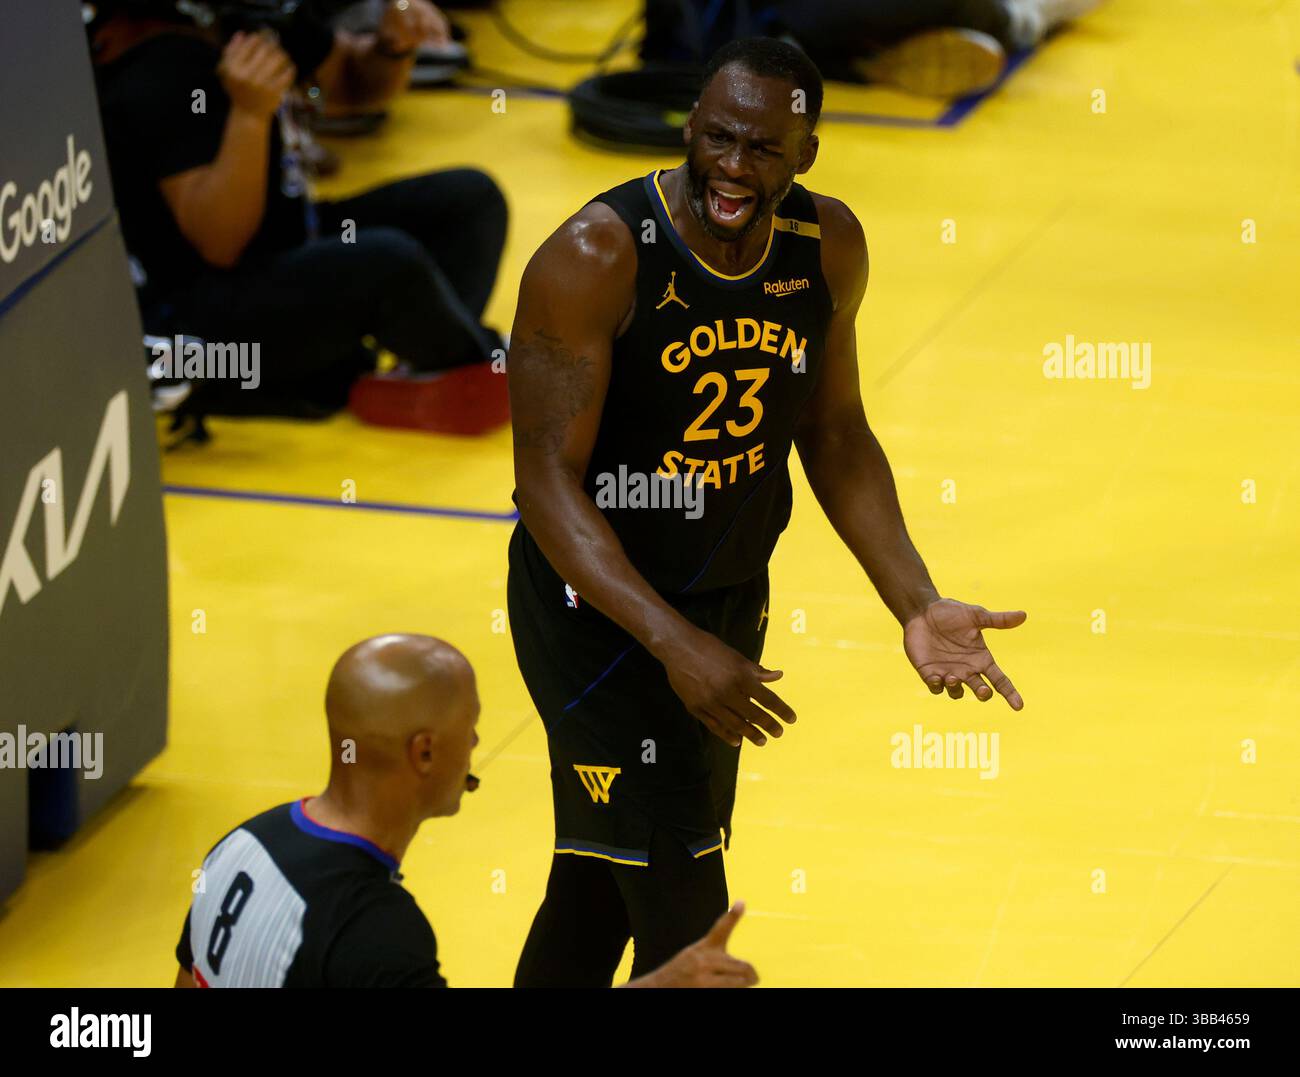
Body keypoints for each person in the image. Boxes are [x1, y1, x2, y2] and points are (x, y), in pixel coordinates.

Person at [505, 36, 1027, 988]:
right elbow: (545, 483)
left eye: (761, 149)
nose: (732, 169)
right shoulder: (596, 256)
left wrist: (915, 600)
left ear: (807, 155)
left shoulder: (828, 247)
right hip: (595, 618)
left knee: (596, 881)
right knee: (687, 917)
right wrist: (672, 643)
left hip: (722, 603)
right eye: (716, 139)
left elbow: (835, 435)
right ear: (690, 129)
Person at [174, 634, 758, 988]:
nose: (478, 745)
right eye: (471, 729)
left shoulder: (240, 846)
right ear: (424, 752)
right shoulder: (375, 931)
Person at [90, 0, 507, 415]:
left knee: (470, 200)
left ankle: (436, 369)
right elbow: (219, 244)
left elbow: (350, 85)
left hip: (281, 238)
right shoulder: (157, 61)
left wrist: (391, 45)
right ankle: (475, 366)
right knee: (386, 262)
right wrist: (249, 116)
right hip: (202, 322)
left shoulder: (253, 13)